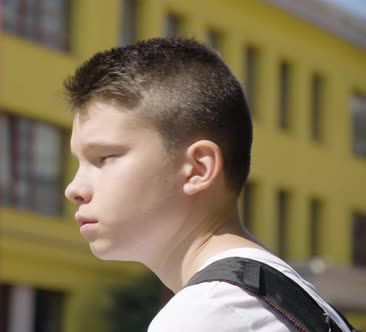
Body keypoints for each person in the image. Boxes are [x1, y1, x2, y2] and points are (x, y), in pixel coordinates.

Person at [62, 38, 353, 331]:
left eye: (104, 158)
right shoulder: (285, 298)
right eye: (79, 162)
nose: (73, 189)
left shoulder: (208, 314)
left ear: (198, 168)